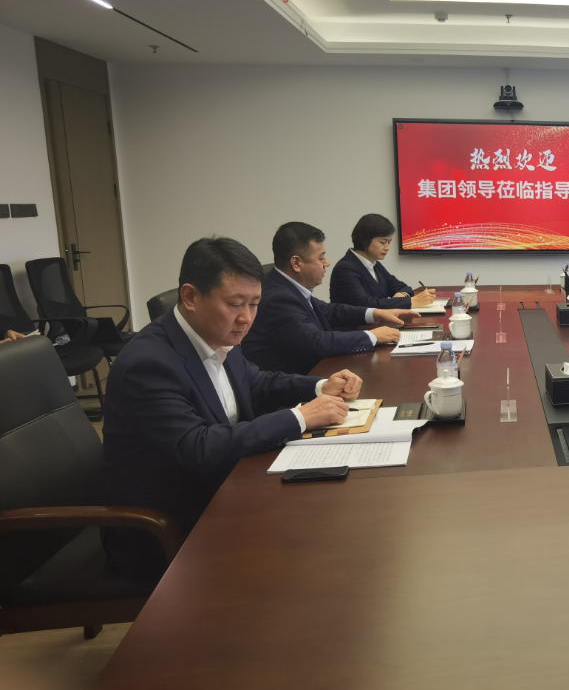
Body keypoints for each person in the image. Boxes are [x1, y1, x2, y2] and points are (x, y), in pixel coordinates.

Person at [100, 237, 361, 586]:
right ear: (190, 297)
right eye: (236, 304)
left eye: (254, 304)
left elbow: (258, 381)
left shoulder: (218, 333)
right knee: (315, 555)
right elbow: (198, 446)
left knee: (336, 518)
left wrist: (320, 386)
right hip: (170, 525)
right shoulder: (148, 364)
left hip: (226, 490)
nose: (246, 318)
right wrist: (301, 417)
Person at [244, 222, 414, 374]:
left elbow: (329, 310)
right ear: (296, 263)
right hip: (292, 386)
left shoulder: (287, 287)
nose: (327, 263)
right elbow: (316, 342)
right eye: (321, 257)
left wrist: (377, 313)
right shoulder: (278, 298)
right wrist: (372, 336)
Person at [329, 213, 437, 310]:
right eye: (383, 242)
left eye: (389, 242)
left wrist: (402, 295)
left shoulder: (375, 265)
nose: (387, 248)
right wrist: (409, 301)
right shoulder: (346, 268)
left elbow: (404, 287)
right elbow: (364, 304)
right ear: (365, 240)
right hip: (355, 325)